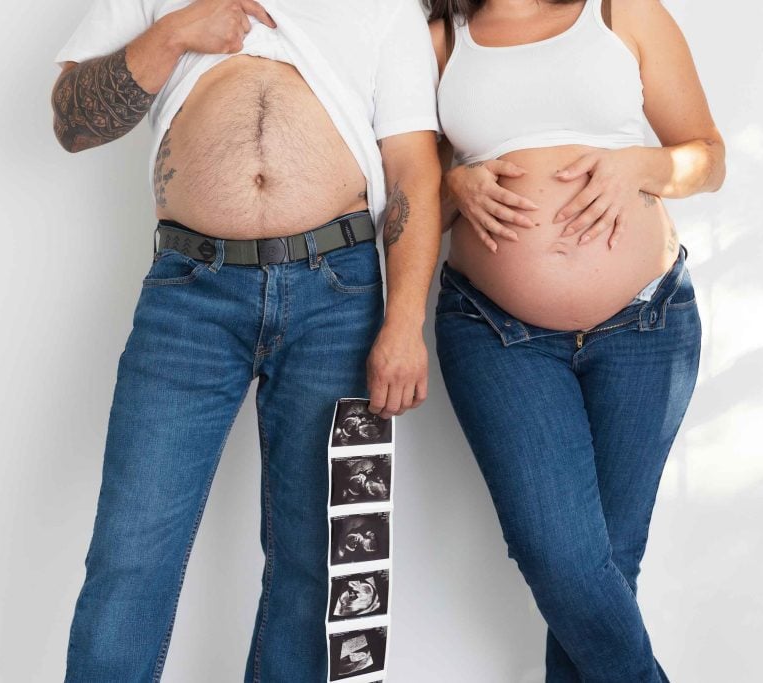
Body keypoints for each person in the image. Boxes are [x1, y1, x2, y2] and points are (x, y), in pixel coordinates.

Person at [50, 0, 441, 679]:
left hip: (339, 296)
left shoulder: (385, 7)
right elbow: (71, 123)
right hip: (189, 294)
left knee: (318, 558)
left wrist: (405, 321)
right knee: (131, 550)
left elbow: (414, 168)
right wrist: (174, 31)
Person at [425, 0, 725, 680]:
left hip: (646, 322)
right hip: (496, 330)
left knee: (607, 565)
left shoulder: (622, 12)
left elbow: (708, 156)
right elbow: (404, 194)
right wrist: (452, 180)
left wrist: (640, 167)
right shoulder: (444, 38)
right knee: (560, 555)